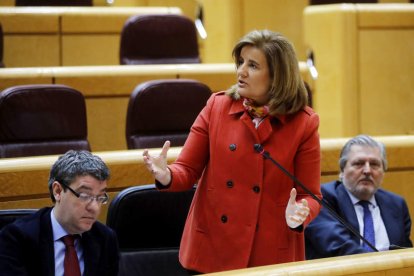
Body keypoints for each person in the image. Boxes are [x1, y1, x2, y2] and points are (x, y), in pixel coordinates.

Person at [143, 29, 322, 274]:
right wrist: (166, 175)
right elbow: (186, 169)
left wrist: (301, 214)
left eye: (253, 65)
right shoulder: (217, 106)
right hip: (212, 250)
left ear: (278, 75)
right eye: (240, 63)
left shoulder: (303, 124)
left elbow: (310, 195)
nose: (241, 72)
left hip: (269, 255)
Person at [0, 150, 119, 275]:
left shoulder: (104, 238)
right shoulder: (16, 238)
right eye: (84, 195)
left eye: (100, 197)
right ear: (57, 191)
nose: (94, 207)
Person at [305, 135, 413, 259]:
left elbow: (406, 254)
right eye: (358, 163)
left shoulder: (396, 204)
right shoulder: (321, 198)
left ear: (383, 171)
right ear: (342, 170)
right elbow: (339, 248)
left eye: (374, 164)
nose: (367, 170)